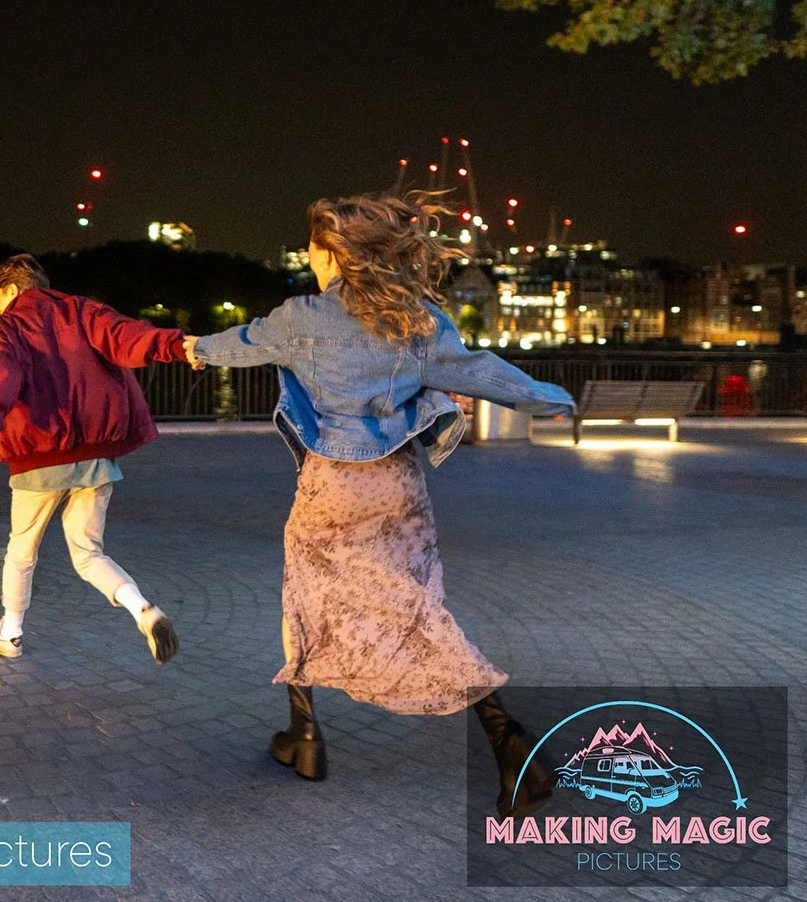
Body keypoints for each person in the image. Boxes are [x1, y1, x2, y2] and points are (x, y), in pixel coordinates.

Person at [185, 194, 575, 820]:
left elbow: (235, 344)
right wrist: (550, 398)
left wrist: (189, 349)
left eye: (312, 246)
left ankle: (307, 735)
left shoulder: (299, 317)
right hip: (397, 484)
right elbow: (481, 371)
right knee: (418, 608)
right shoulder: (415, 320)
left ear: (332, 251)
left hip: (331, 485)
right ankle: (505, 737)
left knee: (306, 596)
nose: (307, 256)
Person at [0, 253, 186, 665]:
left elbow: (1, 370)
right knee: (88, 554)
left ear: (12, 290)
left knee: (22, 551)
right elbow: (127, 336)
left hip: (39, 457)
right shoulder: (81, 310)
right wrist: (176, 344)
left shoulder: (9, 324)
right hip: (95, 459)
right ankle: (144, 610)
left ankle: (9, 632)